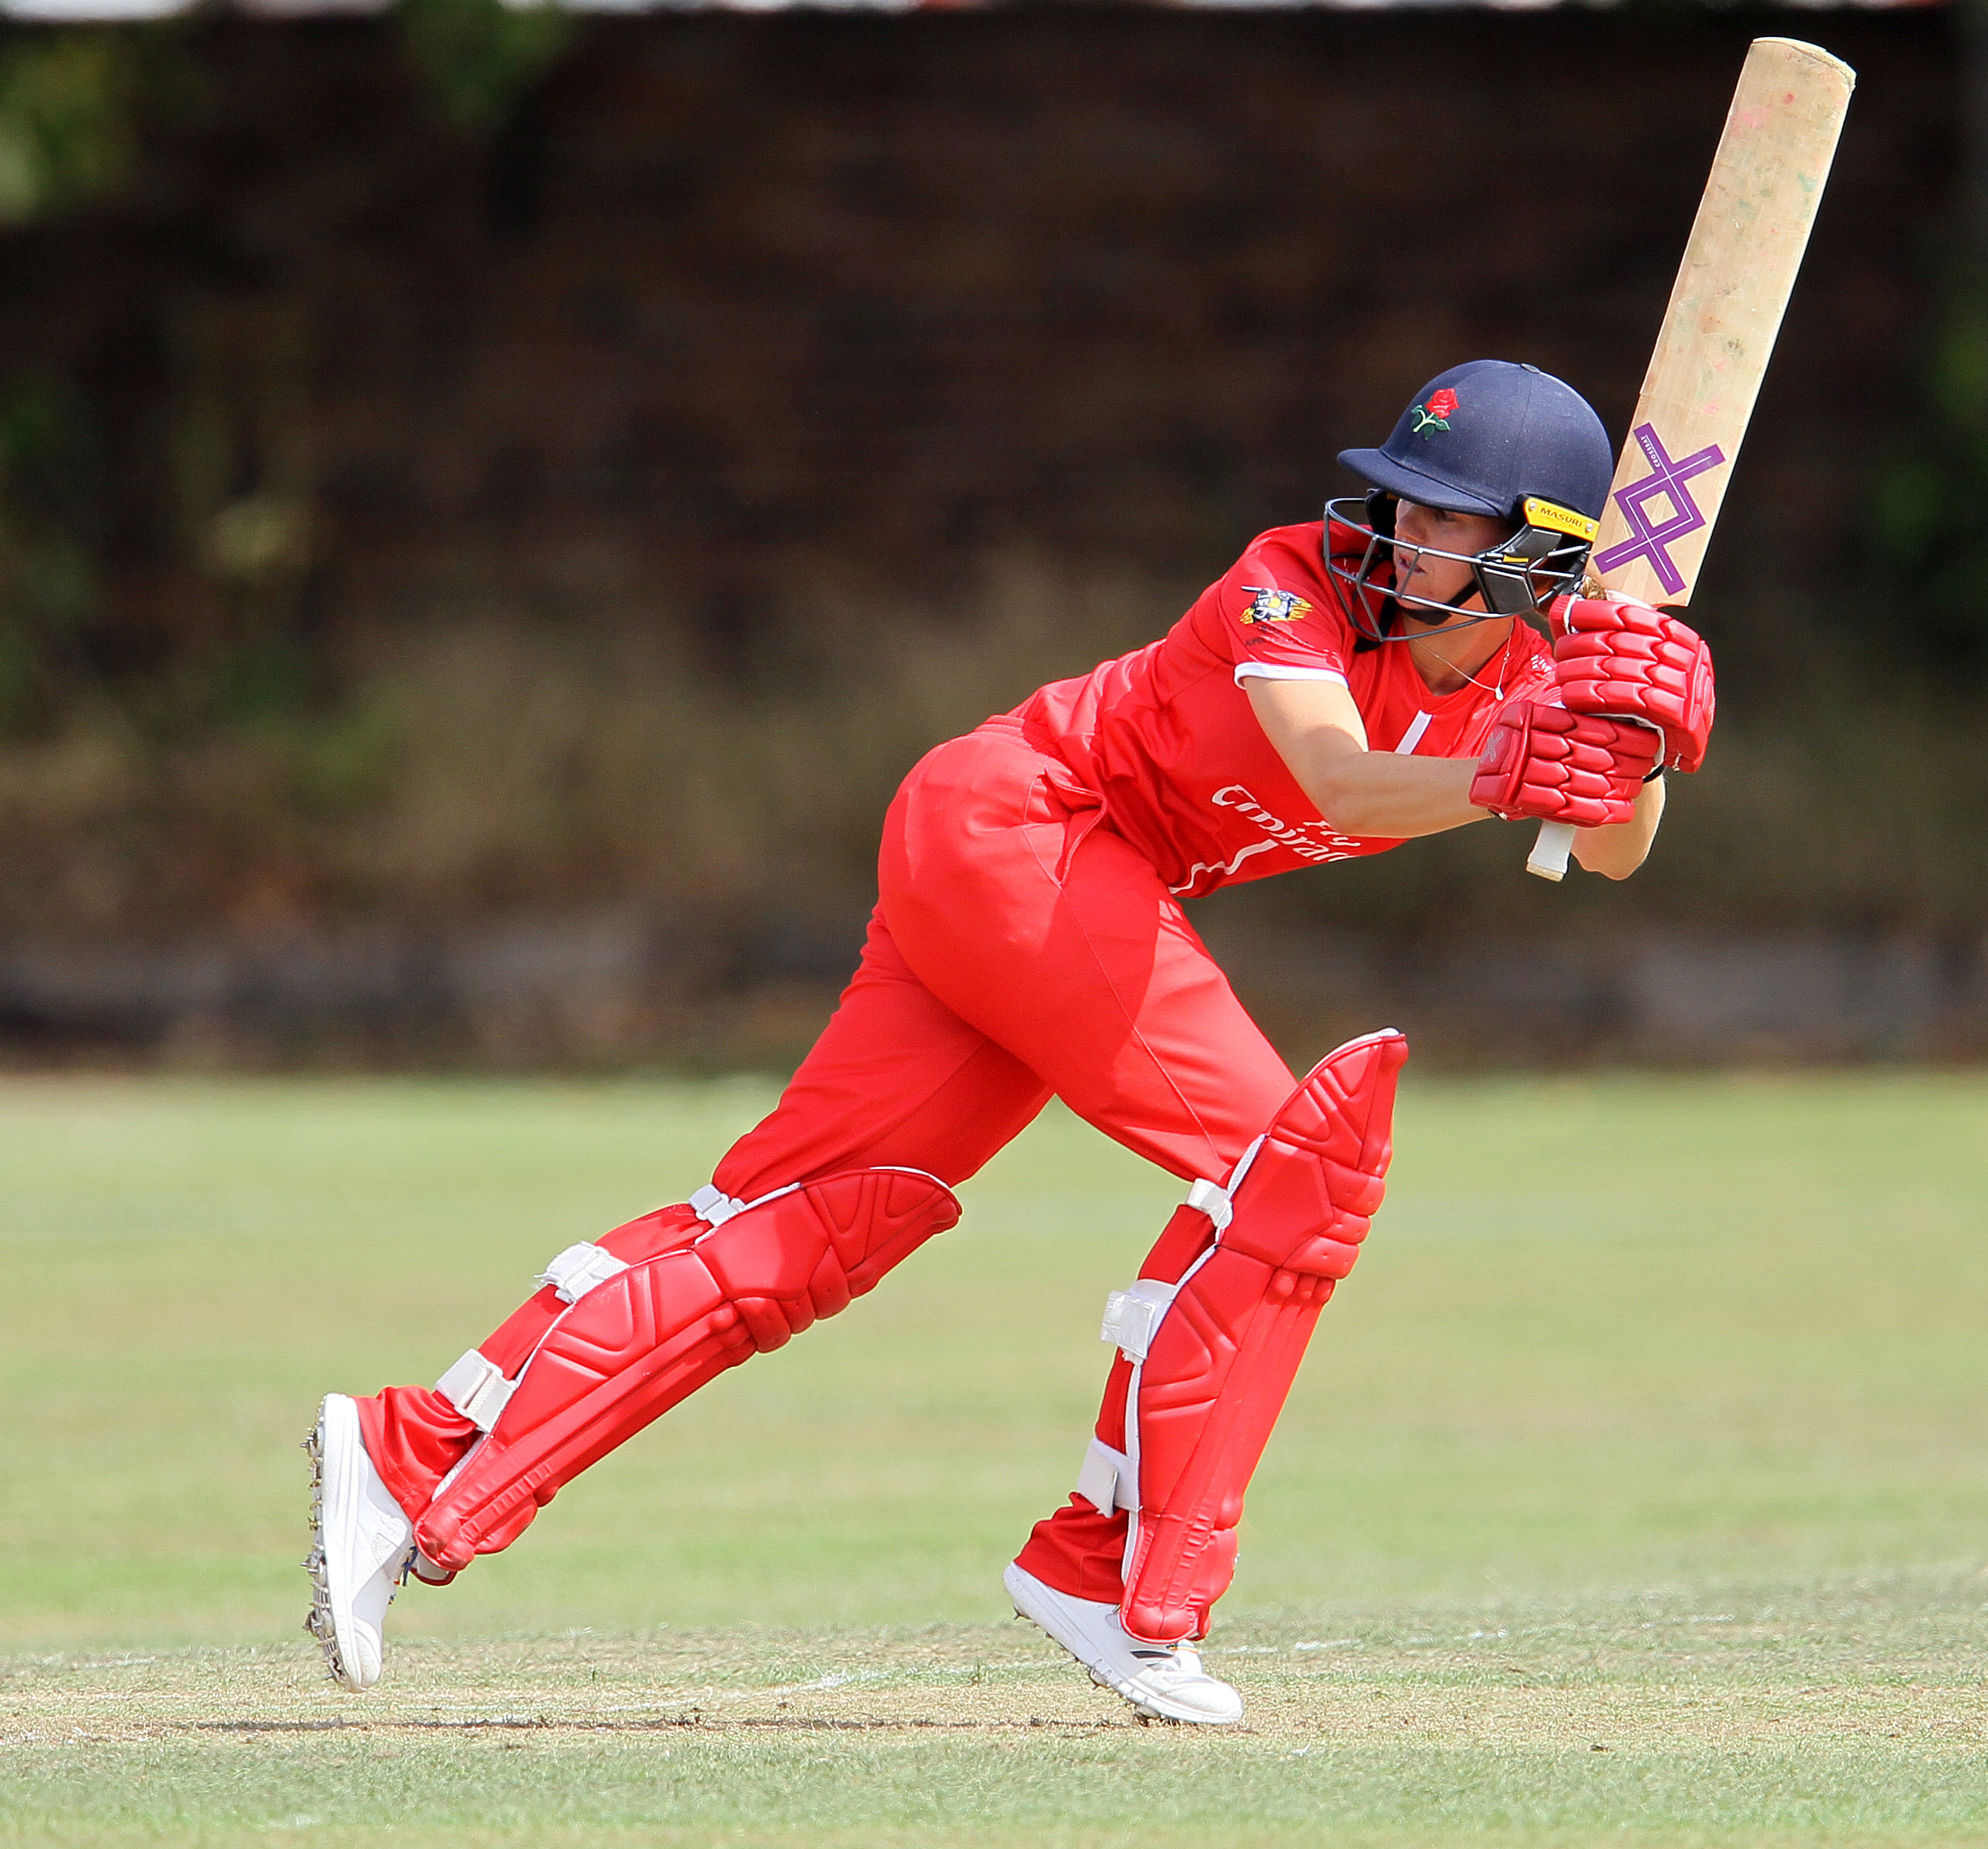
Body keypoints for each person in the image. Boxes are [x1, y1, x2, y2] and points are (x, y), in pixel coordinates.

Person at [305, 359, 1715, 1722]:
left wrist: (1635, 727)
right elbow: (1340, 777)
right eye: (1403, 497)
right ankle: (1114, 1573)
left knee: (811, 1221)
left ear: (1537, 551)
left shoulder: (1551, 661)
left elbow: (1612, 850)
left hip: (1037, 867)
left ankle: (415, 1453)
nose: (1405, 530)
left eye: (1449, 517)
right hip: (1032, 828)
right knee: (1291, 1172)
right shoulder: (1290, 577)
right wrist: (1502, 772)